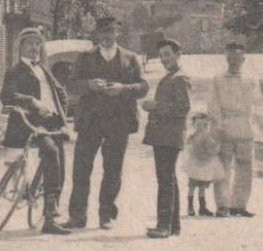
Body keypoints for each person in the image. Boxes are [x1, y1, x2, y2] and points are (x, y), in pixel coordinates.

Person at [66, 16, 148, 230]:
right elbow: (72, 85)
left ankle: (106, 214)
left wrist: (123, 88)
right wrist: (89, 85)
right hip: (90, 122)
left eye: (111, 32)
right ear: (97, 35)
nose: (108, 36)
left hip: (118, 122)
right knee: (81, 170)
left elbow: (143, 86)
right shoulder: (84, 58)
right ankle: (78, 216)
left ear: (117, 33)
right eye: (104, 32)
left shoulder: (130, 58)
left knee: (113, 170)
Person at [0, 26, 73, 236]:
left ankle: (51, 211)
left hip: (51, 124)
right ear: (21, 47)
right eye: (30, 43)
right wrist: (33, 102)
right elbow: (7, 96)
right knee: (51, 152)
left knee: (60, 164)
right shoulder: (15, 71)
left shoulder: (43, 69)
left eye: (38, 44)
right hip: (28, 124)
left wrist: (61, 117)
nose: (34, 48)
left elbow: (61, 93)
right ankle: (49, 216)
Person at [141, 39, 192, 238]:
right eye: (161, 55)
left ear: (178, 54)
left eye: (168, 54)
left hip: (170, 136)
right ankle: (173, 225)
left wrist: (155, 106)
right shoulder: (171, 76)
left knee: (165, 180)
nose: (164, 59)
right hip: (164, 136)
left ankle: (164, 226)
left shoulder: (180, 78)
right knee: (168, 178)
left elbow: (183, 108)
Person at [209, 41, 262, 218]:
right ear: (226, 58)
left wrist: (249, 120)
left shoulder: (251, 79)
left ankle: (239, 205)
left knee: (245, 167)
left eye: (237, 57)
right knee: (223, 166)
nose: (233, 61)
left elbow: (256, 102)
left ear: (243, 58)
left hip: (245, 126)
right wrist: (219, 124)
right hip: (225, 126)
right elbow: (212, 104)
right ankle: (222, 205)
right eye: (230, 57)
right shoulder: (217, 79)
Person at [181, 111, 224, 217]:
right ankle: (199, 208)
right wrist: (218, 145)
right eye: (199, 125)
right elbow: (212, 149)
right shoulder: (205, 137)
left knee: (195, 186)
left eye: (205, 125)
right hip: (202, 164)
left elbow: (188, 148)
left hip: (195, 164)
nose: (202, 127)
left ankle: (194, 208)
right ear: (194, 125)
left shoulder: (192, 137)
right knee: (200, 186)